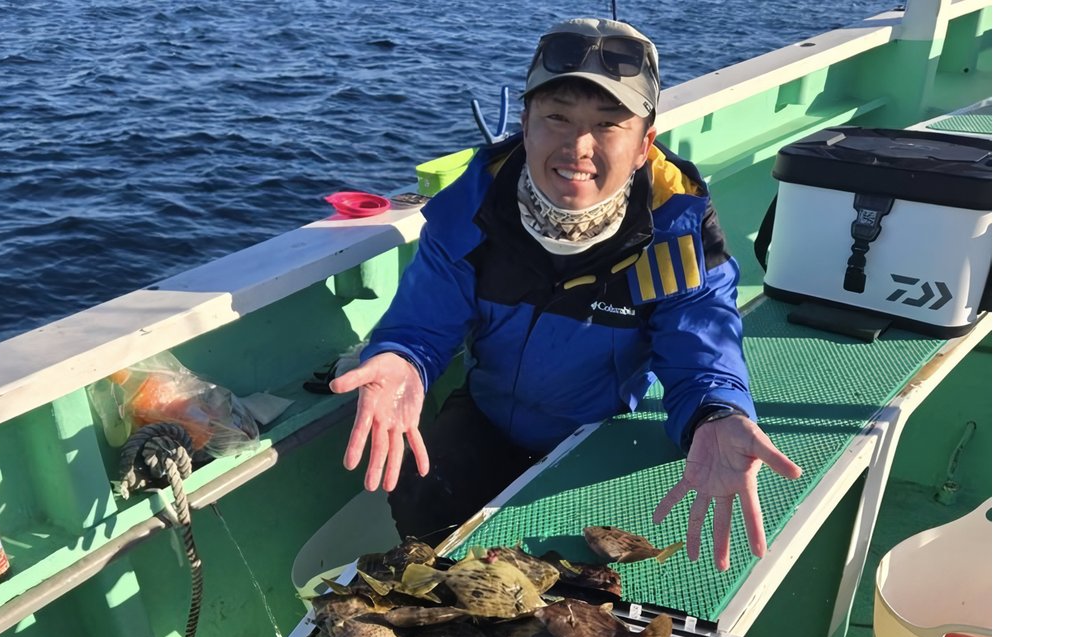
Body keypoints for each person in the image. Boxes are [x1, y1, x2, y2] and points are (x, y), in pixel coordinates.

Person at [331, 16, 802, 570]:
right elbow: (421, 328)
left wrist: (718, 413)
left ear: (644, 144)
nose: (578, 146)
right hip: (488, 415)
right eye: (556, 117)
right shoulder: (471, 211)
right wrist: (401, 359)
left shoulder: (673, 229)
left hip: (598, 432)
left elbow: (701, 350)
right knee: (420, 495)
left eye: (608, 125)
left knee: (581, 573)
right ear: (525, 123)